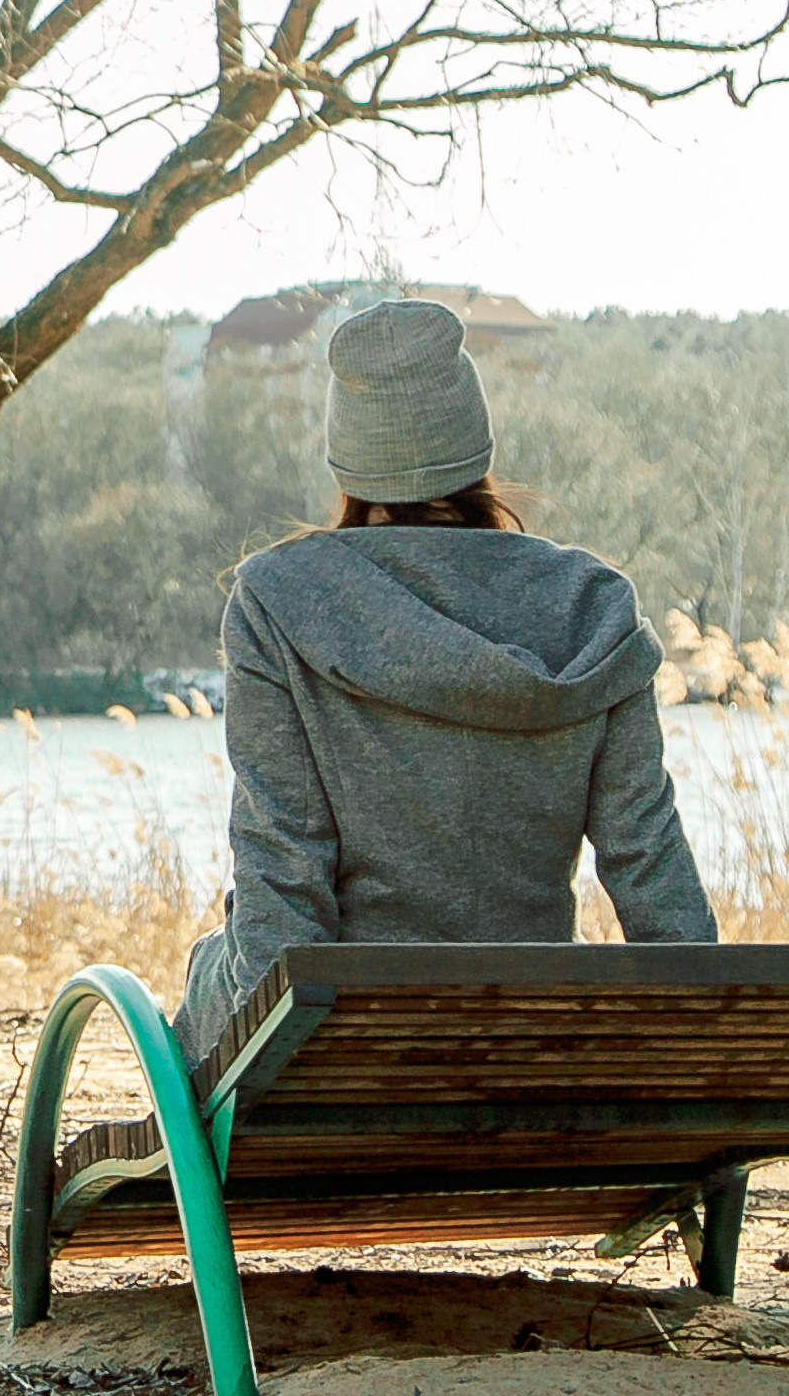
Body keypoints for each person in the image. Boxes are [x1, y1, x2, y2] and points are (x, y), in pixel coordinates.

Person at [176, 297, 712, 1054]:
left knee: (212, 964)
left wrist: (290, 1089)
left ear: (346, 458)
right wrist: (706, 1068)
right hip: (527, 1036)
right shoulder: (593, 604)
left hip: (345, 1052)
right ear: (476, 441)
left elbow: (284, 881)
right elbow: (650, 870)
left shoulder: (279, 600)